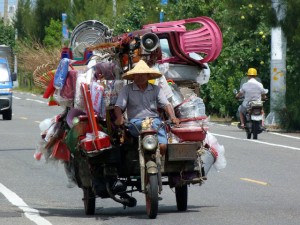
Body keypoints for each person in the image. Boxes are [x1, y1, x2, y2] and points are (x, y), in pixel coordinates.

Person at [114, 60, 180, 155]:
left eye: (143, 74)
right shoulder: (127, 89)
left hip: (155, 122)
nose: (140, 77)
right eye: (137, 75)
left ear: (148, 76)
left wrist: (173, 117)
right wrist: (119, 117)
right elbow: (118, 106)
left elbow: (166, 104)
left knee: (163, 146)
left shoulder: (156, 89)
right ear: (133, 77)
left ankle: (161, 161)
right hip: (135, 123)